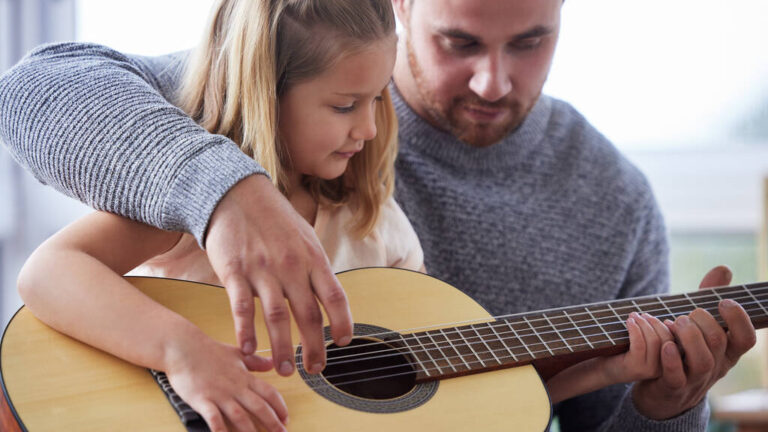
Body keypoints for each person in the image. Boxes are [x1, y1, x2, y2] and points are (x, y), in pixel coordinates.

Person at [0, 0, 757, 430]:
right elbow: (38, 89)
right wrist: (223, 192)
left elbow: (455, 408)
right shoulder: (306, 52)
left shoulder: (606, 200)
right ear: (402, 10)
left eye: (530, 42)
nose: (493, 80)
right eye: (458, 42)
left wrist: (650, 397)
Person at [14, 0, 422, 430]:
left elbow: (428, 336)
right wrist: (179, 350)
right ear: (264, 90)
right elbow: (46, 273)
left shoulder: (374, 220)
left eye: (377, 99)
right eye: (344, 106)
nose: (370, 128)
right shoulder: (196, 208)